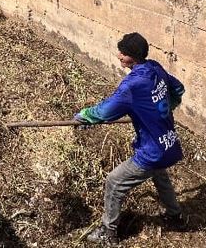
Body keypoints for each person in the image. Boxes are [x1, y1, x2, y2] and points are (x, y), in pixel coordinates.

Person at [74, 32, 187, 244]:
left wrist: (84, 115)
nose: (119, 56)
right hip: (168, 142)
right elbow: (178, 88)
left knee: (114, 181)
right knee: (159, 175)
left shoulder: (132, 86)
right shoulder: (155, 68)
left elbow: (105, 112)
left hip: (153, 150)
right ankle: (175, 216)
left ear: (133, 58)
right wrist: (163, 109)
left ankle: (108, 233)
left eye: (123, 53)